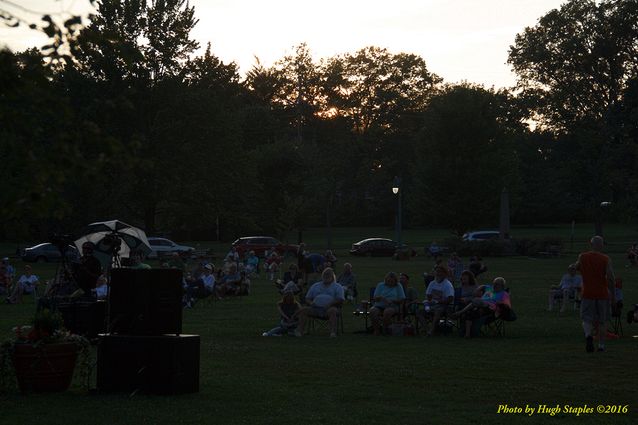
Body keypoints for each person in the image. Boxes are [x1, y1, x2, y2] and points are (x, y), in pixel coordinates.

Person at [576, 236, 616, 352]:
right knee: (603, 321)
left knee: (586, 319)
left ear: (591, 244)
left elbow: (576, 266)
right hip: (602, 293)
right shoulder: (605, 259)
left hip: (588, 293)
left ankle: (588, 336)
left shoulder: (583, 256)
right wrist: (612, 295)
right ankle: (601, 345)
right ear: (602, 245)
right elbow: (610, 278)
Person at [294, 267, 344, 337]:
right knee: (304, 310)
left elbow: (340, 299)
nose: (326, 276)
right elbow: (307, 298)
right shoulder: (315, 286)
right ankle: (300, 331)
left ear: (332, 277)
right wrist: (311, 303)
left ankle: (333, 332)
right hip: (315, 308)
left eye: (328, 275)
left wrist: (330, 304)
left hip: (329, 309)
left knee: (333, 311)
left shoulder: (337, 287)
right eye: (325, 275)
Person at [418, 265, 454, 336]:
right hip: (432, 305)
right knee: (419, 312)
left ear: (445, 274)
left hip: (445, 306)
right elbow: (428, 295)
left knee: (438, 311)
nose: (438, 273)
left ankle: (432, 330)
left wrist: (438, 301)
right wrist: (429, 300)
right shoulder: (432, 283)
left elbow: (450, 299)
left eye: (440, 272)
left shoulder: (447, 285)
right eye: (437, 272)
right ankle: (427, 330)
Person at [369, 272, 406, 336]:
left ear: (395, 281)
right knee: (372, 311)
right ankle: (376, 330)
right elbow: (375, 298)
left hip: (393, 306)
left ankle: (385, 330)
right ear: (386, 280)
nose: (390, 283)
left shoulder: (398, 286)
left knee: (387, 312)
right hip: (379, 305)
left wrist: (392, 301)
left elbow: (402, 299)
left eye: (392, 281)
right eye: (388, 281)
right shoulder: (380, 285)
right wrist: (382, 298)